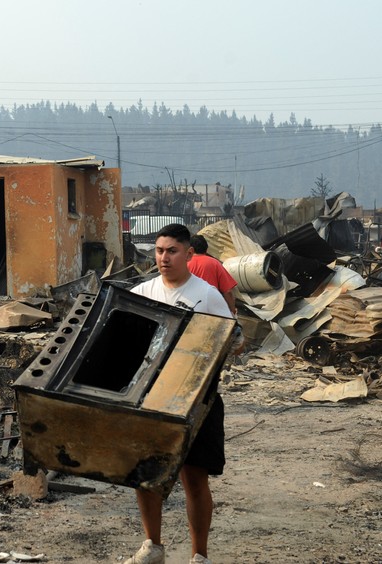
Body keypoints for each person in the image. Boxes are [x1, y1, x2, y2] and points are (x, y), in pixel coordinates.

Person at [125, 223, 233, 564]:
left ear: (189, 253)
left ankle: (199, 555)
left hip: (195, 400)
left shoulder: (208, 296)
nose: (163, 257)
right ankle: (152, 546)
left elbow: (224, 344)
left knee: (194, 479)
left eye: (171, 251)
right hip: (150, 398)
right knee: (145, 476)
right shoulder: (143, 292)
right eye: (158, 250)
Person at [188, 234, 238, 316]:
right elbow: (228, 292)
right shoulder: (214, 263)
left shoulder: (182, 264)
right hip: (211, 313)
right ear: (206, 249)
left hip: (187, 310)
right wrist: (232, 311)